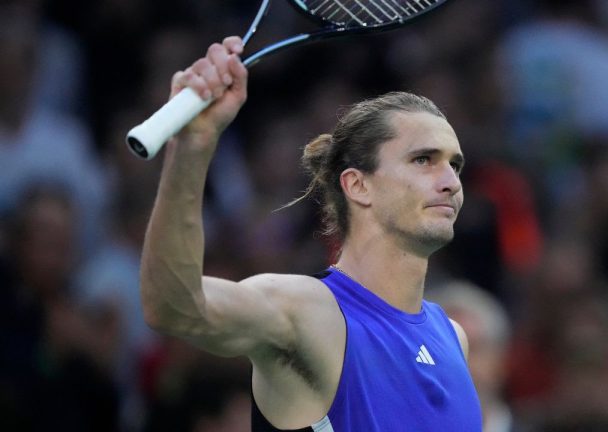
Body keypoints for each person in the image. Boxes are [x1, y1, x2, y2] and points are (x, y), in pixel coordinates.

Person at [139, 36, 481, 431]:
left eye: (455, 165)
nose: (450, 182)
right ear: (358, 185)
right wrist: (193, 147)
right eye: (424, 159)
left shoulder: (453, 337)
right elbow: (174, 307)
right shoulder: (306, 311)